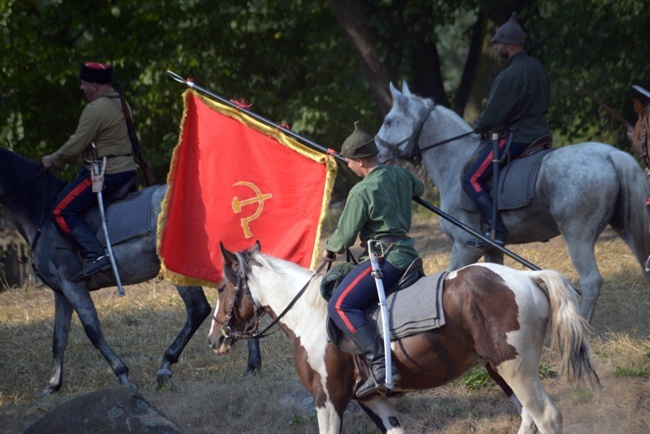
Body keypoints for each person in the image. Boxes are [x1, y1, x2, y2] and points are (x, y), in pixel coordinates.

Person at [323, 121, 424, 398]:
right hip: (408, 254)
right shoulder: (400, 176)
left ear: (358, 162)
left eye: (349, 163)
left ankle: (380, 366)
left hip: (385, 260)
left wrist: (329, 249)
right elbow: (420, 189)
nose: (348, 167)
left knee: (340, 305)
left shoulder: (361, 191)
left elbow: (344, 238)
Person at [462, 12, 551, 248]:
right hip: (542, 134)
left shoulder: (508, 76)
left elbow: (493, 114)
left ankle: (496, 232)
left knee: (471, 177)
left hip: (519, 137)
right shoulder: (538, 68)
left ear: (510, 45)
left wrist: (478, 126)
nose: (494, 46)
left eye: (498, 42)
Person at [42, 62, 137, 282]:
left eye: (84, 84)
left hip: (108, 173)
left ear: (94, 85)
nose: (82, 88)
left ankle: (95, 256)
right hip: (126, 169)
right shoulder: (120, 102)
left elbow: (76, 145)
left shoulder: (96, 108)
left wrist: (52, 160)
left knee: (60, 211)